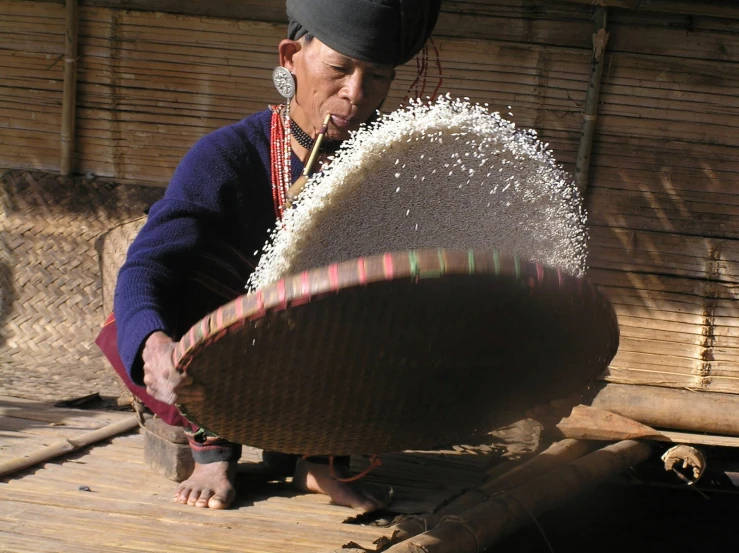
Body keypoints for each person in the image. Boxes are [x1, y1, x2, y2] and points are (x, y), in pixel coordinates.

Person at [103, 0, 441, 511]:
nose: (357, 92)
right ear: (290, 57)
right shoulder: (224, 156)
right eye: (339, 68)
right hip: (230, 360)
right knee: (206, 269)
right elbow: (148, 266)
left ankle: (320, 457)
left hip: (318, 366)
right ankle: (213, 450)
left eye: (377, 76)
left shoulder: (385, 168)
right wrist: (153, 347)